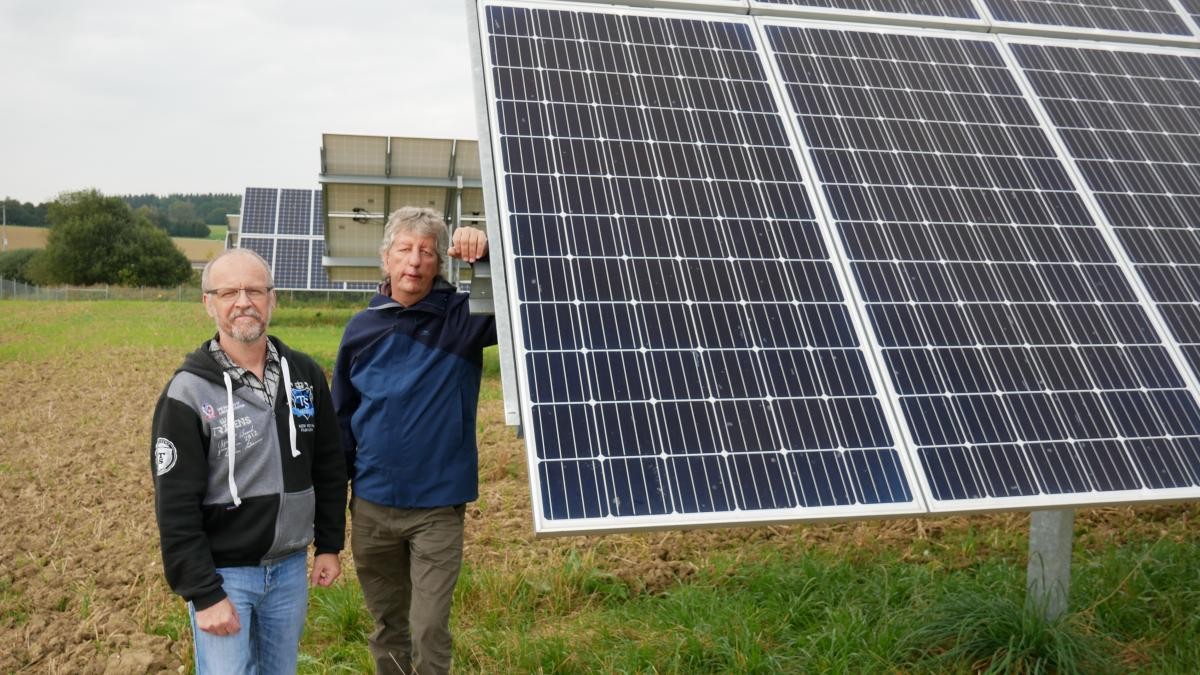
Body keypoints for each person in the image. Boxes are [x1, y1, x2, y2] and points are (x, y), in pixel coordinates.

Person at [150, 248, 347, 674]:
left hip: (290, 569)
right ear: (208, 303)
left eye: (255, 290)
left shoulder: (305, 375)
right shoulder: (186, 393)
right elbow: (175, 505)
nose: (244, 301)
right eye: (228, 292)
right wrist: (204, 593)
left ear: (272, 299)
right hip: (225, 577)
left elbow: (330, 466)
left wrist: (329, 546)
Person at [334, 206, 494, 675]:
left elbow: (519, 299)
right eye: (405, 249)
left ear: (438, 263)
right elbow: (341, 419)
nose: (415, 261)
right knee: (388, 626)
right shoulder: (361, 329)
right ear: (386, 258)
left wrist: (483, 257)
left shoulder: (463, 321)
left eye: (426, 252)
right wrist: (335, 504)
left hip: (437, 510)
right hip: (371, 507)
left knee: (427, 628)